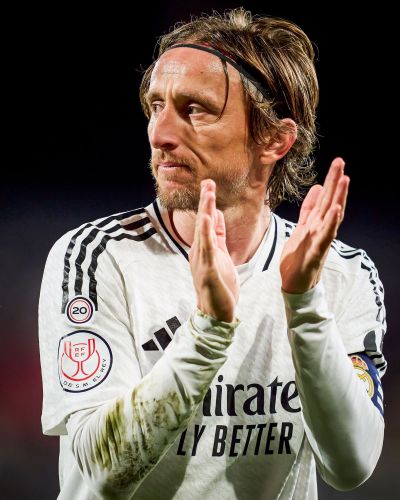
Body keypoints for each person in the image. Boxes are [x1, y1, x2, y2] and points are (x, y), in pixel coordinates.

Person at [38, 8, 386, 500]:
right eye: (156, 106)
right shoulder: (98, 258)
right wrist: (208, 333)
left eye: (195, 109)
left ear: (274, 139)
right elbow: (98, 471)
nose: (159, 134)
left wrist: (305, 304)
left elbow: (350, 466)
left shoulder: (340, 273)